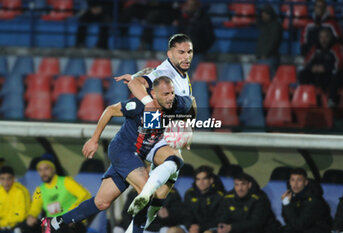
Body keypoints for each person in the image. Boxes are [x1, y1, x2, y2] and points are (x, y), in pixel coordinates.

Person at [41, 76, 193, 233]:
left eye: (172, 93)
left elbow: (191, 104)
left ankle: (55, 222)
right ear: (153, 94)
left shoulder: (177, 103)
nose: (170, 98)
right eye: (165, 94)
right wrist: (94, 139)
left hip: (139, 155)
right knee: (146, 190)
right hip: (123, 150)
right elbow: (110, 110)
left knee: (101, 202)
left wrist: (186, 132)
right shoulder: (139, 105)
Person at [115, 33, 196, 230]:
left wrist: (188, 127)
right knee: (173, 163)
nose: (186, 56)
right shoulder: (164, 71)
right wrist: (147, 101)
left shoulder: (182, 76)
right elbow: (138, 84)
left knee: (164, 189)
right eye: (181, 52)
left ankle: (136, 226)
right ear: (170, 53)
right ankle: (144, 194)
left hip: (170, 131)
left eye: (190, 52)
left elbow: (190, 106)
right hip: (160, 135)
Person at [26, 155, 91, 233]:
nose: (43, 173)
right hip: (52, 225)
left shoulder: (66, 181)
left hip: (72, 222)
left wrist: (72, 213)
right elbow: (35, 207)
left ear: (53, 169)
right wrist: (31, 216)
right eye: (40, 170)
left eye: (46, 168)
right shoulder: (40, 189)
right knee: (28, 226)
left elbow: (85, 196)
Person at [216, 173, 281, 233]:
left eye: (243, 184)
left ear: (249, 185)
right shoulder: (228, 197)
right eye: (237, 185)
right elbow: (223, 215)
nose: (240, 188)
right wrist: (222, 225)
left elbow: (256, 223)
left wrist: (232, 227)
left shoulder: (260, 198)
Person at [298, 28, 343, 106]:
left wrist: (325, 68)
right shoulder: (316, 48)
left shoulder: (338, 47)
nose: (323, 40)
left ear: (331, 37)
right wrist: (312, 68)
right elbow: (307, 62)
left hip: (334, 75)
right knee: (303, 73)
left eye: (326, 37)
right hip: (319, 75)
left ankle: (331, 101)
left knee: (336, 74)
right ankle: (305, 97)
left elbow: (342, 62)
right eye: (321, 37)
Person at [281, 168, 332, 233]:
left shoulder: (314, 200)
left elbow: (299, 226)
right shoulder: (292, 195)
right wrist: (286, 203)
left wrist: (286, 204)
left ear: (305, 182)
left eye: (299, 180)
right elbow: (288, 220)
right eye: (292, 180)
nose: (295, 184)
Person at [182, 165, 223, 233]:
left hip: (211, 228)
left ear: (211, 180)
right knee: (173, 230)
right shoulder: (189, 194)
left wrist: (200, 227)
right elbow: (185, 214)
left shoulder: (219, 196)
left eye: (204, 179)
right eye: (198, 179)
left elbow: (219, 219)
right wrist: (190, 226)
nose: (201, 182)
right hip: (191, 227)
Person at [0, 166, 30, 233]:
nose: (6, 182)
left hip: (18, 226)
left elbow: (20, 216)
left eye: (9, 178)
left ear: (13, 178)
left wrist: (3, 222)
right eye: (3, 179)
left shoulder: (20, 191)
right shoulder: (0, 191)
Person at [256, 4, 282, 73]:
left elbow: (273, 41)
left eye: (265, 14)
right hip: (262, 57)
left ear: (269, 14)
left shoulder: (275, 26)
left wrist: (265, 54)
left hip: (270, 58)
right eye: (262, 14)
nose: (263, 16)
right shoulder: (265, 25)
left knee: (269, 80)